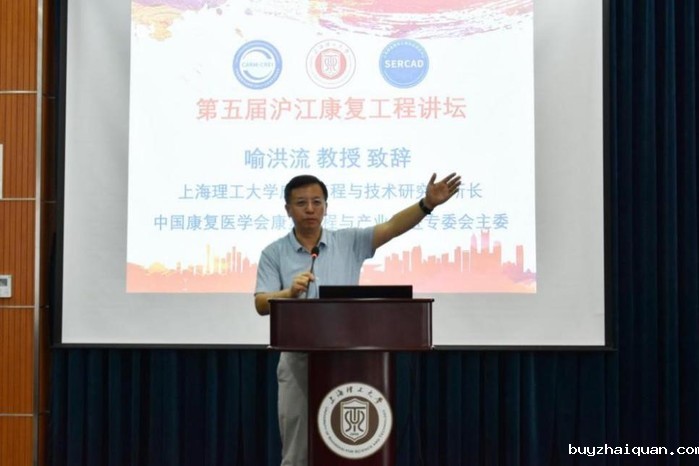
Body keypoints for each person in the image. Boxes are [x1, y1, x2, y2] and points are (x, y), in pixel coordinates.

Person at [254, 172, 461, 466]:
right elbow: (261, 303)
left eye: (317, 202)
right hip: (298, 359)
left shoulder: (348, 241)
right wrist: (288, 293)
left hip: (349, 359)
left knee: (348, 444)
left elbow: (391, 227)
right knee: (297, 447)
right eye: (301, 203)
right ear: (288, 209)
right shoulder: (274, 253)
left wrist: (426, 205)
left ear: (326, 207)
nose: (310, 209)